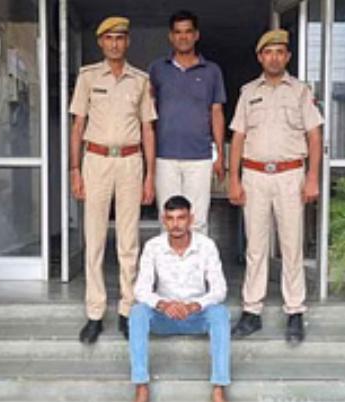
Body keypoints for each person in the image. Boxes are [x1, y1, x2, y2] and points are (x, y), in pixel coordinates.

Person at [227, 29, 323, 344]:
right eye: (268, 52)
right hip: (254, 175)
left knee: (291, 245)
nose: (274, 58)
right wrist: (233, 178)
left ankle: (294, 311)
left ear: (288, 57)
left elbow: (314, 136)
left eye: (280, 52)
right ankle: (251, 311)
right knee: (256, 247)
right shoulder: (247, 92)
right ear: (260, 57)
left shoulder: (300, 92)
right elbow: (238, 137)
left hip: (290, 175)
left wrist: (312, 177)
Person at [69, 16, 157, 344]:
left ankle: (127, 309)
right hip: (96, 160)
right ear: (101, 43)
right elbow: (78, 126)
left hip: (131, 161)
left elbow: (148, 128)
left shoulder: (140, 80)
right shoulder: (88, 77)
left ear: (127, 42)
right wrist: (74, 169)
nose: (115, 44)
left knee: (128, 241)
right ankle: (95, 313)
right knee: (94, 238)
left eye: (120, 38)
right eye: (109, 38)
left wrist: (150, 175)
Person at [130, 195, 230, 402]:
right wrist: (163, 304)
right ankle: (141, 385)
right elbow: (140, 289)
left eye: (181, 218)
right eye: (170, 218)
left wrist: (196, 305)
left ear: (190, 219)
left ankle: (219, 387)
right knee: (137, 313)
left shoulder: (206, 246)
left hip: (196, 315)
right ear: (163, 220)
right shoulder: (153, 246)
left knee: (220, 313)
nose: (176, 224)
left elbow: (220, 289)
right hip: (164, 316)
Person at [148, 10, 227, 235]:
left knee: (197, 221)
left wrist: (220, 154)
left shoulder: (212, 71)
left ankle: (196, 260)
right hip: (164, 156)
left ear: (196, 35)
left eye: (188, 32)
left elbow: (217, 112)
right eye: (178, 32)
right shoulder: (157, 69)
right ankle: (169, 261)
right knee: (168, 220)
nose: (183, 37)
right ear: (171, 36)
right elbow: (148, 114)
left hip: (200, 156)